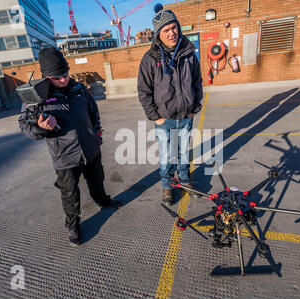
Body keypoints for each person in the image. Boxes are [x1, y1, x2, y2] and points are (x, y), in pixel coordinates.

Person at [18, 47, 121, 246]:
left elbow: (93, 113)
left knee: (97, 179)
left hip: (90, 148)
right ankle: (73, 225)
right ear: (46, 76)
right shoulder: (35, 97)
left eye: (65, 74)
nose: (64, 80)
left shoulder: (79, 88)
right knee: (70, 193)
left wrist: (96, 134)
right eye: (57, 77)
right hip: (64, 156)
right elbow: (25, 126)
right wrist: (40, 128)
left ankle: (103, 201)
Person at [137, 4, 203, 206]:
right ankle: (167, 186)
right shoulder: (150, 59)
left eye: (174, 27)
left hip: (185, 117)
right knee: (167, 156)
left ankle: (184, 181)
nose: (172, 33)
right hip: (164, 119)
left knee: (184, 153)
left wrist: (194, 109)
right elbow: (144, 91)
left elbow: (197, 82)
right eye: (166, 30)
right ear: (158, 34)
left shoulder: (189, 54)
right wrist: (155, 116)